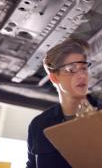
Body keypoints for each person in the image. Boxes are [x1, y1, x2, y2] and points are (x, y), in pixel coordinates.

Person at [26, 38, 97, 168]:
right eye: (71, 69)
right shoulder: (38, 125)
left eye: (84, 68)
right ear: (54, 77)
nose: (82, 75)